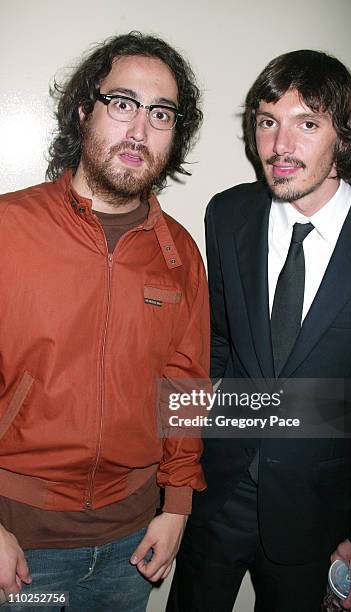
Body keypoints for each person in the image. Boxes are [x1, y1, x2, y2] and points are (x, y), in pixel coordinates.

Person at [167, 50, 351, 612]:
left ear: (347, 135)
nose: (280, 146)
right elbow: (218, 348)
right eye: (267, 121)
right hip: (218, 492)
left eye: (307, 123)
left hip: (319, 513)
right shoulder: (226, 215)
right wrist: (177, 484)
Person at [0, 31, 209, 612]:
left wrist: (176, 508)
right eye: (122, 104)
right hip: (19, 543)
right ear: (83, 110)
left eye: (160, 113)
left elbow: (186, 389)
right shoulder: (8, 229)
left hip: (131, 544)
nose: (139, 131)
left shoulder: (180, 253)